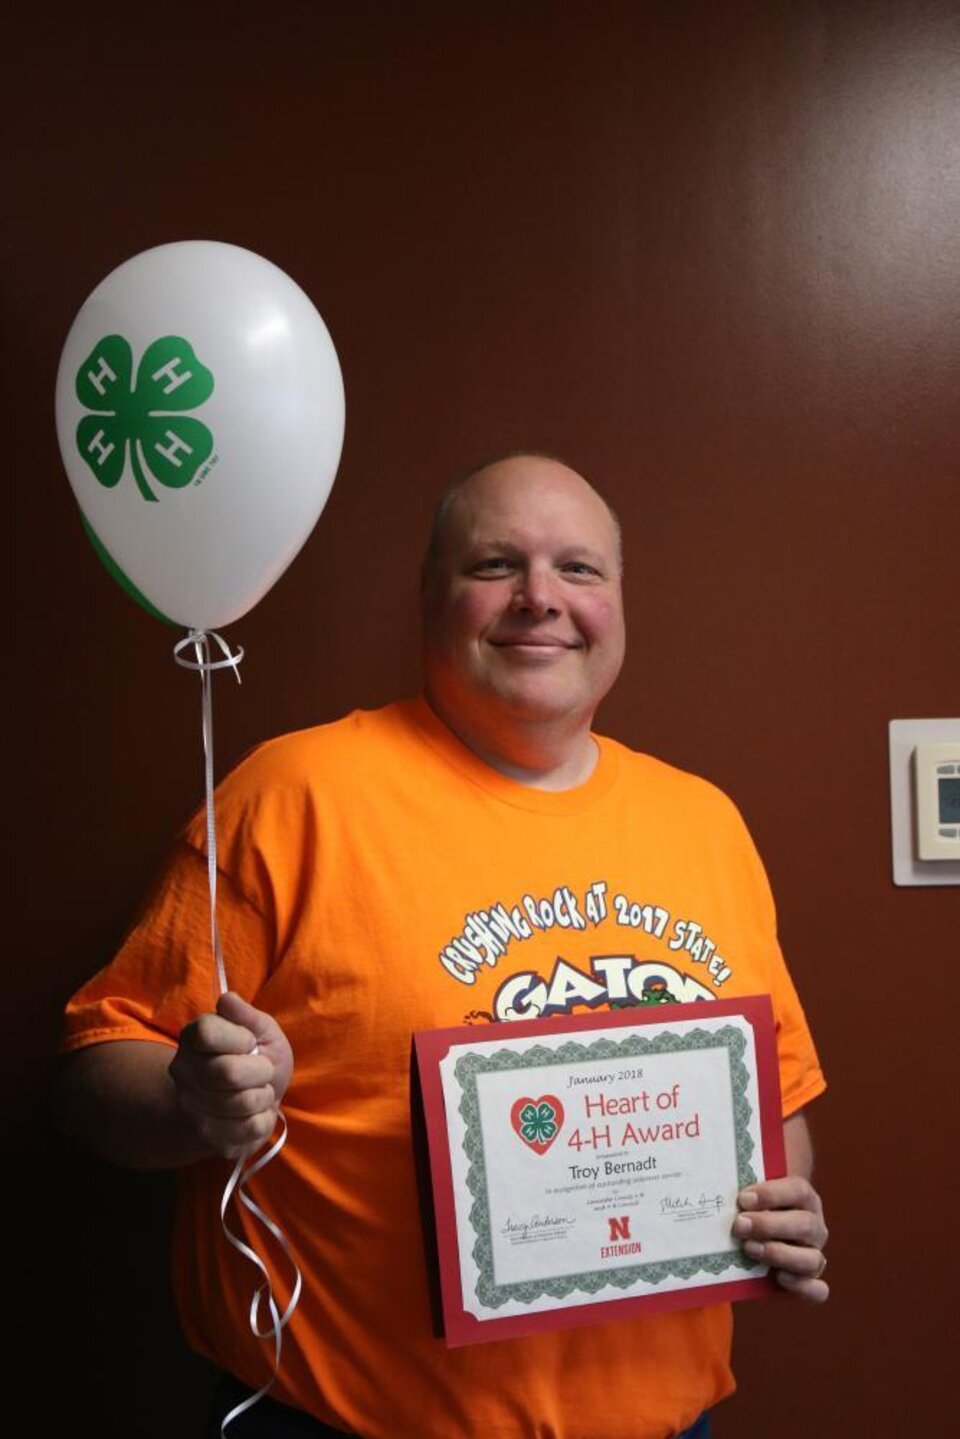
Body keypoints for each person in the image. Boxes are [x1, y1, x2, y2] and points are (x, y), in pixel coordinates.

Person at [60, 454, 828, 1439]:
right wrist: (192, 1100)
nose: (540, 598)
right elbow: (90, 1071)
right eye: (496, 564)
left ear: (621, 602)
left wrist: (783, 1205)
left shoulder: (705, 821)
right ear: (431, 596)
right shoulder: (292, 795)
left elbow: (779, 1106)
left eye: (579, 569)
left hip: (666, 1424)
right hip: (343, 1422)